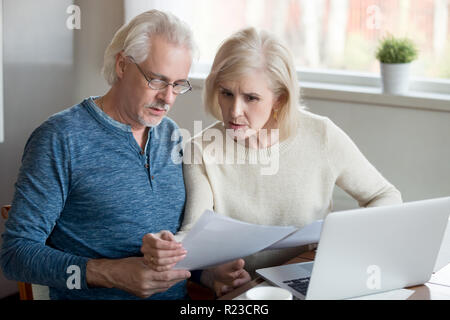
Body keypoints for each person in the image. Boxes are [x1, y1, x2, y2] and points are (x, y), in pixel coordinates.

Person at [0, 10, 247, 300]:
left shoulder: (173, 137)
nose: (168, 98)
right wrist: (110, 273)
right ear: (121, 65)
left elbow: (175, 253)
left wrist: (209, 274)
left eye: (178, 84)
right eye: (156, 80)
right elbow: (15, 255)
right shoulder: (59, 139)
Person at [147, 27, 403, 278]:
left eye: (251, 98)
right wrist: (166, 246)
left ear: (279, 99)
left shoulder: (321, 135)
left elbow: (384, 195)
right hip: (248, 292)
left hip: (312, 279)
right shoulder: (202, 149)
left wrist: (347, 241)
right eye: (226, 93)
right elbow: (194, 233)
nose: (234, 110)